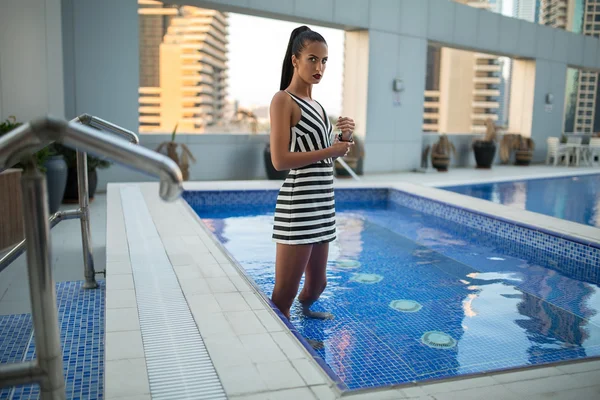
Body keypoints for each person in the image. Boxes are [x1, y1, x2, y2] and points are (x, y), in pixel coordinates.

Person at [269, 25, 355, 321]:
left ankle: (303, 318)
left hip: (322, 204)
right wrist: (332, 151)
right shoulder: (283, 100)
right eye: (312, 59)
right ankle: (287, 339)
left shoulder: (317, 106)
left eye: (324, 60)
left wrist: (343, 138)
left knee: (318, 285)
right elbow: (280, 160)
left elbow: (325, 155)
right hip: (300, 205)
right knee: (284, 294)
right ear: (295, 60)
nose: (319, 67)